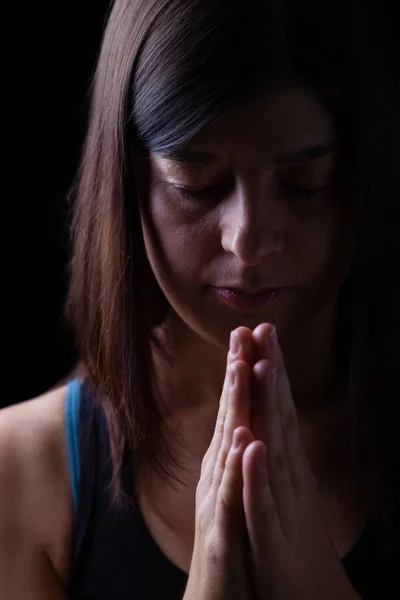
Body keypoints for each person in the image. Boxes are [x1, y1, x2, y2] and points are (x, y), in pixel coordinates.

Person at [1, 0, 399, 598]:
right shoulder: (21, 476)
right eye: (197, 184)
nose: (249, 240)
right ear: (129, 180)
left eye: (303, 185)